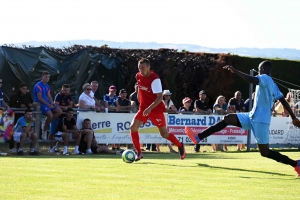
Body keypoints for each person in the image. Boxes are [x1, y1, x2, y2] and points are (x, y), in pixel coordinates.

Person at [186, 60, 300, 177]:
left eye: (259, 70)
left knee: (265, 152)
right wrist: (293, 117)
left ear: (264, 70)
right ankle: (198, 137)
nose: (258, 73)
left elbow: (252, 80)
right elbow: (283, 101)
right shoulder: (274, 85)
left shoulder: (265, 78)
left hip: (260, 121)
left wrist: (235, 71)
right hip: (251, 116)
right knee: (227, 118)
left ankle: (296, 164)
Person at [130, 58, 185, 161]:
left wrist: (150, 108)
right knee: (133, 127)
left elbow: (159, 97)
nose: (141, 70)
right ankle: (139, 152)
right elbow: (139, 87)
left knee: (164, 134)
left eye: (143, 68)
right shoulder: (138, 76)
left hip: (155, 109)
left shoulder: (155, 79)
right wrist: (138, 96)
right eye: (139, 68)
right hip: (143, 108)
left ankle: (180, 145)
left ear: (149, 67)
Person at [33, 72, 62, 140]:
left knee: (59, 111)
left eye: (48, 77)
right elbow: (39, 98)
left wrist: (52, 102)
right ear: (42, 77)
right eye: (45, 76)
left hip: (47, 102)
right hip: (40, 103)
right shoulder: (38, 85)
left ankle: (45, 123)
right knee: (50, 115)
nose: (47, 78)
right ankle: (45, 130)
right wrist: (48, 104)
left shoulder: (47, 85)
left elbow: (49, 96)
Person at [48, 84, 73, 153]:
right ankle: (50, 147)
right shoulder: (58, 96)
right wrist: (65, 107)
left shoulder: (69, 96)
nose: (66, 91)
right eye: (65, 90)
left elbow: (70, 105)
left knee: (64, 132)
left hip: (64, 118)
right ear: (61, 90)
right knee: (52, 132)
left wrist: (62, 107)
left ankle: (57, 146)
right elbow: (55, 105)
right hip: (56, 117)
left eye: (67, 90)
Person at [8, 83, 33, 152]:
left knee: (22, 132)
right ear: (20, 89)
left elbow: (30, 103)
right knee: (12, 132)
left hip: (24, 118)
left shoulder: (27, 95)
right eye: (23, 89)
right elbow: (11, 105)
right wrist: (18, 105)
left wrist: (30, 105)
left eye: (26, 89)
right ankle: (11, 148)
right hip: (15, 117)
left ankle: (19, 148)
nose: (25, 90)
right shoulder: (14, 96)